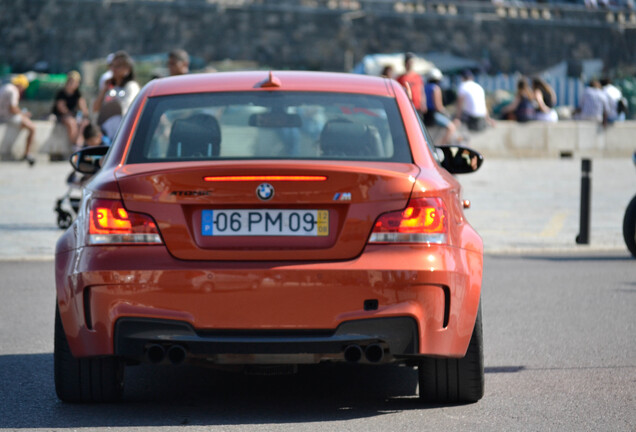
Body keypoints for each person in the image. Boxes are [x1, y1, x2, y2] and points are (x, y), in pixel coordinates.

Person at [93, 51, 140, 140]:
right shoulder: (110, 88)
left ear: (127, 69)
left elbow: (126, 112)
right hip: (108, 137)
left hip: (123, 136)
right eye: (112, 66)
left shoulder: (131, 87)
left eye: (118, 66)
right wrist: (104, 91)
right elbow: (96, 109)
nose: (114, 69)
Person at [0, 74, 36, 165]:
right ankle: (27, 154)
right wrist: (23, 114)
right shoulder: (14, 91)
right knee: (32, 128)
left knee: (24, 124)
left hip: (2, 115)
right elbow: (12, 108)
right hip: (7, 116)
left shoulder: (5, 87)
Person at [52, 71, 90, 147]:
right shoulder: (62, 93)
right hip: (61, 116)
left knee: (84, 123)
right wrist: (72, 115)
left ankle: (80, 144)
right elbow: (61, 108)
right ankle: (74, 144)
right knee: (71, 122)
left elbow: (83, 108)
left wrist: (84, 116)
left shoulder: (78, 94)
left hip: (73, 116)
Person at [423, 68, 456, 145]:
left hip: (425, 115)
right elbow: (438, 106)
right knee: (451, 127)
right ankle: (441, 146)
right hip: (433, 115)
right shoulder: (436, 88)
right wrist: (446, 113)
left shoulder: (424, 87)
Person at [397, 53, 425, 117]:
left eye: (411, 62)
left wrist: (423, 103)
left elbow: (421, 90)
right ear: (405, 64)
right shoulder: (400, 78)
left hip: (417, 105)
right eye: (409, 62)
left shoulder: (417, 77)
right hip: (407, 105)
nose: (410, 64)